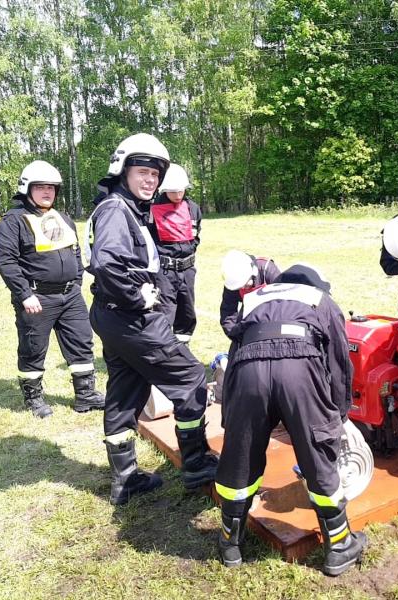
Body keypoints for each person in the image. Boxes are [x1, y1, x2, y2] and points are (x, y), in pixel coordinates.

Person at [86, 133, 218, 506]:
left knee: (126, 391)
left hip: (112, 317)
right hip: (132, 317)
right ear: (122, 171)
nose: (150, 181)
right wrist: (138, 295)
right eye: (143, 172)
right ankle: (195, 463)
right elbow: (109, 261)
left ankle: (125, 478)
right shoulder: (116, 210)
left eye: (155, 175)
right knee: (191, 378)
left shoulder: (124, 208)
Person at [214, 264, 366, 575]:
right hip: (299, 369)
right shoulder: (321, 300)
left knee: (240, 457)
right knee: (316, 458)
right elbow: (338, 363)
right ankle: (338, 547)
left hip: (247, 373)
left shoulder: (255, 299)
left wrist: (233, 419)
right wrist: (335, 416)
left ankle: (231, 542)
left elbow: (235, 343)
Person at [0, 160, 104, 419]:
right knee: (33, 347)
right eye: (41, 187)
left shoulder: (62, 217)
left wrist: (76, 282)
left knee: (81, 342)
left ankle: (85, 395)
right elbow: (6, 261)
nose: (47, 192)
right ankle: (33, 398)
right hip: (36, 297)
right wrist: (24, 294)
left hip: (70, 295)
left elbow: (75, 251)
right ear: (27, 189)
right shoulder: (13, 221)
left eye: (52, 188)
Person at [213, 250, 281, 404]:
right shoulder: (233, 281)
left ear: (253, 271)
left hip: (275, 320)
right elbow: (228, 313)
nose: (244, 287)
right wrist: (237, 335)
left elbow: (285, 305)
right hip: (249, 320)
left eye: (247, 283)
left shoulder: (269, 270)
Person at [148, 163, 202, 343]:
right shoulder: (151, 210)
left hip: (187, 270)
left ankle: (183, 346)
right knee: (164, 312)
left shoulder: (192, 208)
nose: (178, 195)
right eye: (173, 191)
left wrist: (190, 251)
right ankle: (162, 349)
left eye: (181, 191)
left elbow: (196, 235)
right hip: (164, 271)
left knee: (187, 312)